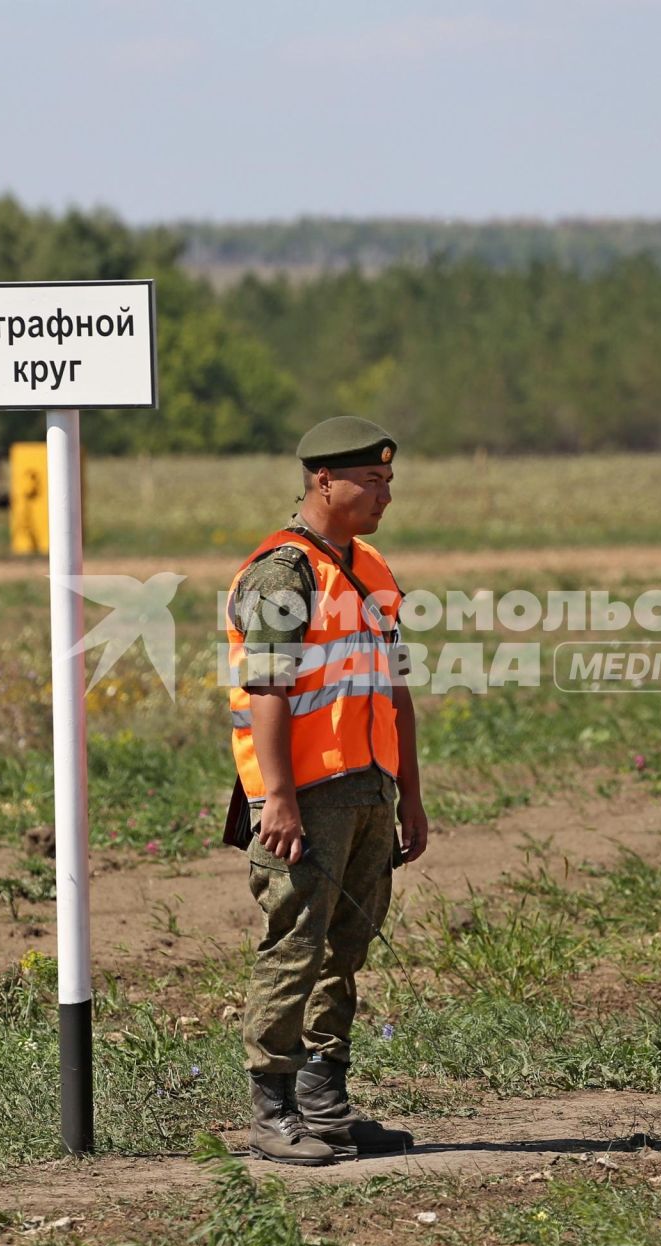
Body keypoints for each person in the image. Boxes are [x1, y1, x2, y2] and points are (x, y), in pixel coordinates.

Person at [223, 416, 429, 1167]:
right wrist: (275, 798)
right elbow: (268, 690)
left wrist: (410, 793)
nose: (384, 495)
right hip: (305, 796)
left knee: (346, 947)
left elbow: (395, 690)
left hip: (369, 789)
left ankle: (324, 1102)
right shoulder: (283, 573)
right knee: (295, 946)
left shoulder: (369, 566)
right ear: (323, 482)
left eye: (388, 481)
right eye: (370, 482)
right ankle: (272, 1111)